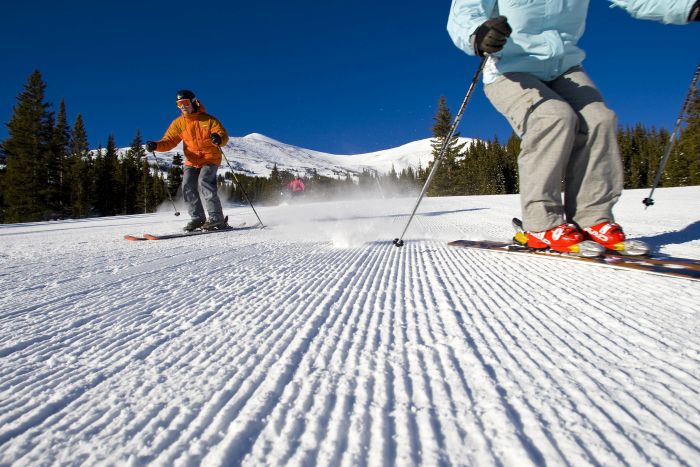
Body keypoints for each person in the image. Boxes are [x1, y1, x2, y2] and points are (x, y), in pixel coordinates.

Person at [447, 0, 699, 256]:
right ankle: (540, 224)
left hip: (563, 67)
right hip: (508, 69)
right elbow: (466, 9)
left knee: (599, 119)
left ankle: (592, 219)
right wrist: (477, 34)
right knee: (553, 117)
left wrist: (688, 6)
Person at [146, 90, 230, 231]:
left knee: (204, 182)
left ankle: (216, 219)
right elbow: (169, 141)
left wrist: (219, 138)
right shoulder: (179, 123)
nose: (182, 106)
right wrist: (156, 145)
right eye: (179, 104)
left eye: (185, 103)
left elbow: (223, 134)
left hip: (210, 158)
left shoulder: (208, 120)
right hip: (192, 161)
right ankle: (197, 219)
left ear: (193, 102)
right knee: (187, 186)